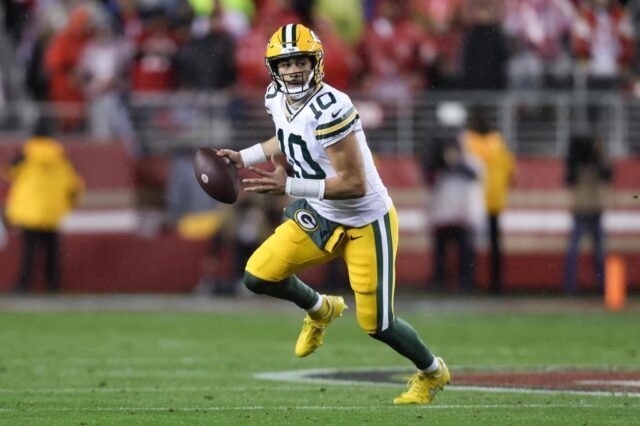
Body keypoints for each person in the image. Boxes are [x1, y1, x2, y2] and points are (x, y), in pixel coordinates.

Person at [216, 23, 450, 405]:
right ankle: (320, 308)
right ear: (274, 68)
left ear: (316, 63)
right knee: (258, 275)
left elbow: (354, 184)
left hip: (365, 220)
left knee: (378, 324)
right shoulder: (275, 96)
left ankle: (433, 371)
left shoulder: (331, 108)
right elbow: (288, 138)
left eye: (301, 61)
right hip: (322, 213)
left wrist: (290, 186)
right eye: (285, 63)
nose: (293, 70)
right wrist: (245, 156)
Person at [4, 119, 84, 293]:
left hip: (30, 210)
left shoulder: (26, 152)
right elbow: (74, 183)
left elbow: (9, 172)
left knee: (29, 252)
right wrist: (71, 203)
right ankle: (53, 284)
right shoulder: (61, 154)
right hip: (52, 211)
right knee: (52, 251)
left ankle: (24, 285)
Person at [464, 106, 515, 294]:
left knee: (470, 242)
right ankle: (496, 282)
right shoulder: (498, 142)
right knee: (494, 242)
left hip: (474, 199)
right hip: (495, 198)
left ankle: (469, 281)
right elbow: (510, 170)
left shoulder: (468, 141)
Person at [424, 139, 484, 292]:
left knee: (465, 253)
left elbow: (476, 176)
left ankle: (465, 282)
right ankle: (440, 281)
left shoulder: (468, 165)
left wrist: (457, 165)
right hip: (442, 217)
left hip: (462, 218)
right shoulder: (439, 168)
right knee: (440, 254)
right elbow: (430, 182)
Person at [564, 134, 612, 294]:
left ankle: (600, 286)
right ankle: (572, 286)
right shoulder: (577, 165)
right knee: (579, 251)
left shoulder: (596, 165)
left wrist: (599, 153)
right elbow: (569, 177)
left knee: (597, 252)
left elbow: (608, 173)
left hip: (592, 211)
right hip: (583, 211)